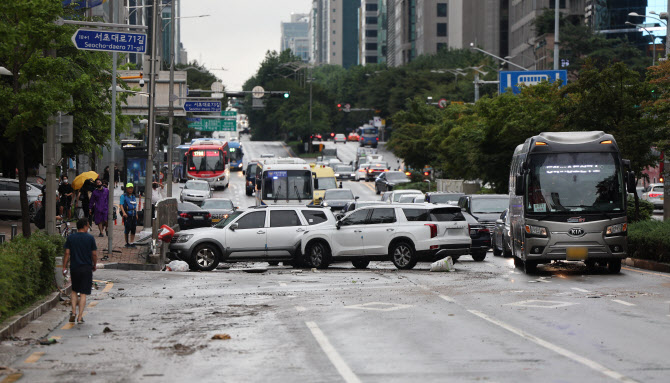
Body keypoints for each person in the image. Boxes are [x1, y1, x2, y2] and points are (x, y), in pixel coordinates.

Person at [63, 218, 97, 324]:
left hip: (74, 267)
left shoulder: (71, 237)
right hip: (86, 268)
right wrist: (94, 264)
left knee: (74, 290)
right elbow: (94, 254)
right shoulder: (90, 238)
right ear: (85, 226)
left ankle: (73, 312)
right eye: (88, 226)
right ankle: (79, 317)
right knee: (83, 293)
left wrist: (64, 266)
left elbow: (67, 253)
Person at [119, 183, 138, 248]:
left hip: (133, 214)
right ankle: (127, 243)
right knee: (127, 228)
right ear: (126, 189)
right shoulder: (123, 196)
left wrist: (136, 214)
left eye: (131, 188)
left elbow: (135, 206)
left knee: (133, 229)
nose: (130, 189)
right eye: (129, 188)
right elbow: (121, 205)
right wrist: (124, 213)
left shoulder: (133, 196)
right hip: (127, 215)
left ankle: (132, 242)